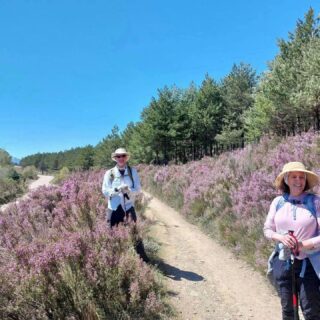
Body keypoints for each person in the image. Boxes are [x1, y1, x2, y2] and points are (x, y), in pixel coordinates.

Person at [264, 162, 320, 320]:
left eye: (301, 177)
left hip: (310, 263)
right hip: (283, 260)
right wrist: (280, 237)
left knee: (311, 311)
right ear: (286, 180)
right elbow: (267, 229)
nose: (298, 180)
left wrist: (303, 244)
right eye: (294, 176)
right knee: (288, 310)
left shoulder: (315, 201)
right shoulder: (278, 202)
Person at [102, 148, 149, 262]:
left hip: (128, 207)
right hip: (113, 208)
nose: (121, 158)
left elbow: (138, 189)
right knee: (111, 234)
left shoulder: (132, 171)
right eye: (118, 156)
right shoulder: (110, 173)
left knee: (135, 233)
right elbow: (104, 190)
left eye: (123, 156)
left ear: (126, 157)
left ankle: (142, 260)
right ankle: (112, 260)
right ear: (115, 158)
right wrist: (117, 190)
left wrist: (129, 190)